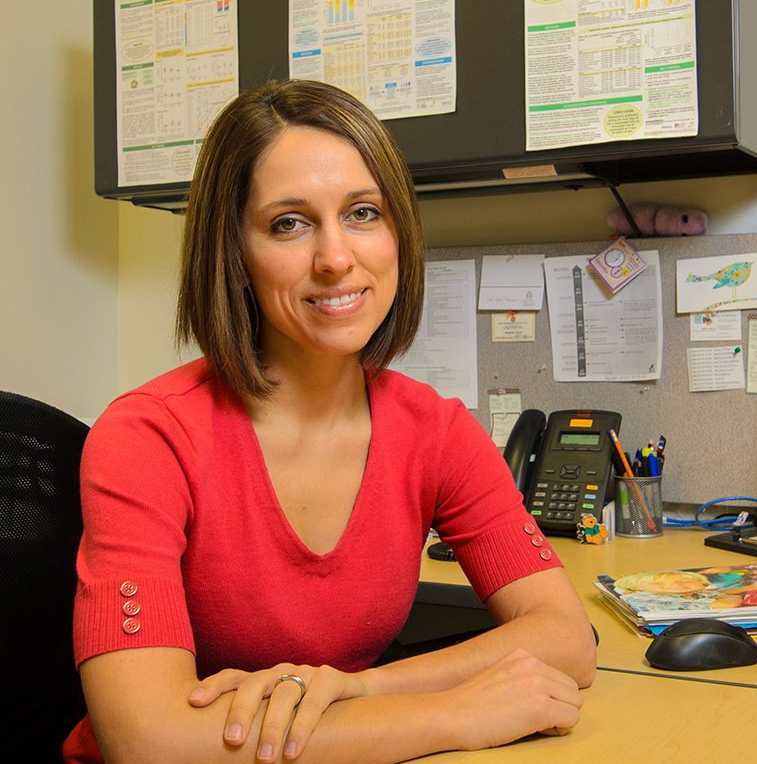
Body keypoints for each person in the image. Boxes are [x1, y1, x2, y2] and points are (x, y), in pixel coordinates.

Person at [66, 79, 596, 764]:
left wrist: (356, 691)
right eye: (289, 223)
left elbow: (565, 636)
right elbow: (149, 741)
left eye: (364, 213)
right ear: (234, 251)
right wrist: (452, 715)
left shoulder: (435, 430)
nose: (336, 258)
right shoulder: (147, 439)